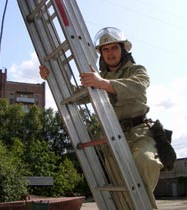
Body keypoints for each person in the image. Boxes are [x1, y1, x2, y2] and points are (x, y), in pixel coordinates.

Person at [39, 27, 163, 209]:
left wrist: (103, 84)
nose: (110, 53)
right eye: (105, 49)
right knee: (120, 191)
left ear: (123, 49)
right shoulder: (98, 77)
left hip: (139, 131)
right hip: (111, 137)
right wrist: (51, 76)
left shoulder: (136, 70)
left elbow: (138, 87)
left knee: (145, 161)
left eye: (114, 48)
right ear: (101, 54)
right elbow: (77, 95)